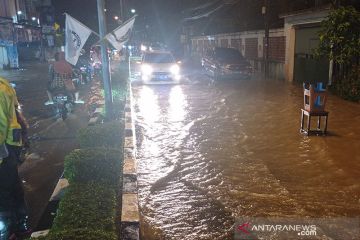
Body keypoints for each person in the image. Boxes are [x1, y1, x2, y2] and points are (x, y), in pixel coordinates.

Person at [0, 77, 31, 237]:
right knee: (11, 185)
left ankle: (11, 226)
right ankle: (19, 223)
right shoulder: (4, 85)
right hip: (11, 143)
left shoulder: (1, 88)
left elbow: (2, 125)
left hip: (5, 146)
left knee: (5, 189)